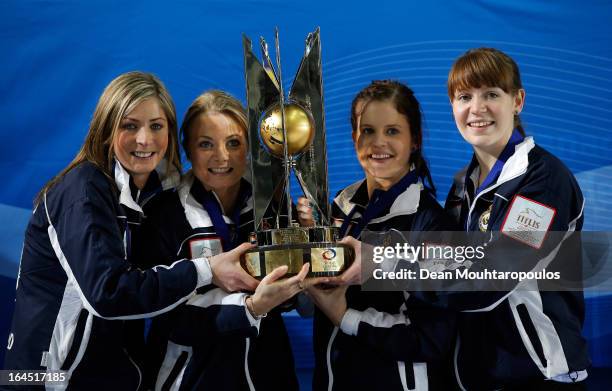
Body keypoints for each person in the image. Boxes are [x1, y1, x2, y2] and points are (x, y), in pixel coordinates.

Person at [3, 72, 256, 390]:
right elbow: (108, 293)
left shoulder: (150, 193)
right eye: (129, 125)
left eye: (156, 126)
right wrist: (208, 270)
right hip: (44, 378)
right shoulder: (83, 188)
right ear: (107, 129)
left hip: (111, 376)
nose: (144, 139)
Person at [134, 90, 307, 391]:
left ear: (249, 148)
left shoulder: (273, 206)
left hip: (267, 373)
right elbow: (163, 313)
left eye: (233, 143)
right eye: (206, 144)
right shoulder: (163, 215)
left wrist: (305, 256)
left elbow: (292, 297)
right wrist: (249, 307)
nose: (222, 157)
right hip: (187, 377)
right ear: (187, 148)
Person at [441, 47, 589, 390]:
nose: (476, 108)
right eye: (464, 96)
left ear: (517, 101)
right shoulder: (462, 183)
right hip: (476, 371)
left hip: (539, 374)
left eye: (491, 94)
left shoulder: (544, 180)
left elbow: (492, 277)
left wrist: (380, 264)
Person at [299, 80, 457, 390]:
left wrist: (345, 317)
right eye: (368, 131)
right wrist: (305, 255)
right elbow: (314, 303)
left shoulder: (431, 224)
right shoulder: (340, 207)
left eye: (393, 131)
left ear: (415, 140)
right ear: (354, 136)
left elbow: (431, 339)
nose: (378, 143)